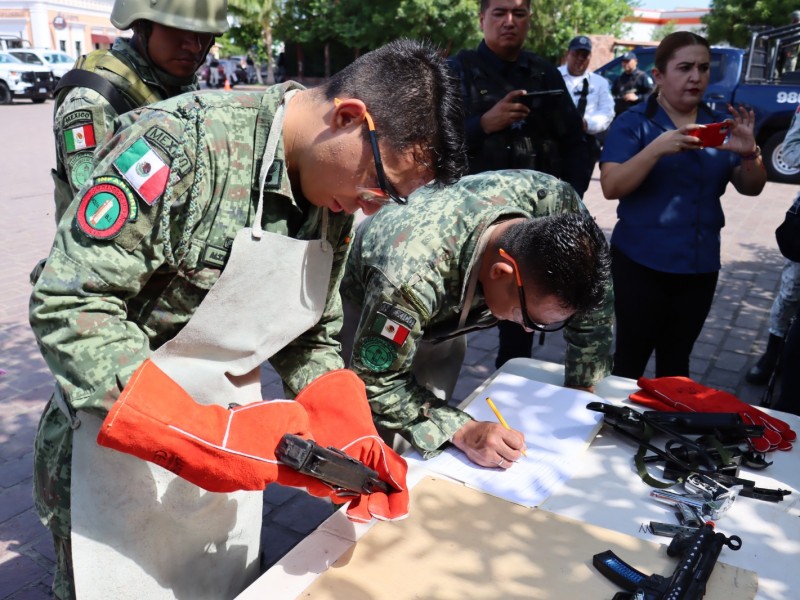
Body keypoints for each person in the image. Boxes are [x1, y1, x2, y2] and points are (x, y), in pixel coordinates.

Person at [29, 39, 467, 600]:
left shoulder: (328, 194)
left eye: (392, 199)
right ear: (350, 118)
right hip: (110, 447)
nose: (373, 206)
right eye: (380, 186)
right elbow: (68, 301)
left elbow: (311, 332)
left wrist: (347, 426)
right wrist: (194, 432)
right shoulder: (182, 145)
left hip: (234, 455)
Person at [339, 169, 613, 465]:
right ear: (500, 272)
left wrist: (581, 385)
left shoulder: (553, 202)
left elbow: (594, 295)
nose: (530, 331)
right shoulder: (408, 281)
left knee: (432, 411)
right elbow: (377, 380)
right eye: (527, 317)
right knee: (377, 441)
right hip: (371, 305)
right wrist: (464, 430)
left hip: (435, 288)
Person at [600, 31, 767, 380]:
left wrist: (750, 152)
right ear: (659, 75)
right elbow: (612, 187)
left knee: (677, 365)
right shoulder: (634, 123)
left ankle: (667, 431)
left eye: (704, 68)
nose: (696, 77)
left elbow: (752, 188)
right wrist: (657, 148)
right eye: (685, 67)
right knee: (629, 361)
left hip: (699, 266)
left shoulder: (718, 125)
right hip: (640, 264)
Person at [447, 0, 592, 370]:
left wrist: (567, 200)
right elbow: (431, 143)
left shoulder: (544, 74)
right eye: (499, 13)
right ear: (482, 19)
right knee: (444, 320)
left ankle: (506, 393)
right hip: (469, 226)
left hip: (534, 224)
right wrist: (484, 124)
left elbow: (577, 143)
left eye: (519, 13)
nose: (509, 22)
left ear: (529, 19)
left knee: (520, 324)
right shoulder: (457, 71)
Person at [50, 0, 228, 226]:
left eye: (205, 33)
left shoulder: (176, 84)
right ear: (142, 25)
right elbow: (103, 218)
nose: (195, 46)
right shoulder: (94, 100)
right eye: (180, 29)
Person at [558, 35, 615, 181]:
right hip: (555, 142)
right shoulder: (554, 76)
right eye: (576, 54)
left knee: (576, 192)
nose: (580, 59)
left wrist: (586, 123)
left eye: (584, 55)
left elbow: (607, 111)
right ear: (568, 54)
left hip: (585, 144)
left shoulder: (599, 82)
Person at [611, 51, 654, 116]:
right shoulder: (620, 78)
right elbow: (613, 94)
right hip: (620, 115)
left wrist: (637, 97)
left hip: (636, 114)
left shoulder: (642, 77)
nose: (625, 64)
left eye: (627, 61)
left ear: (635, 61)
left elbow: (652, 95)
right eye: (623, 62)